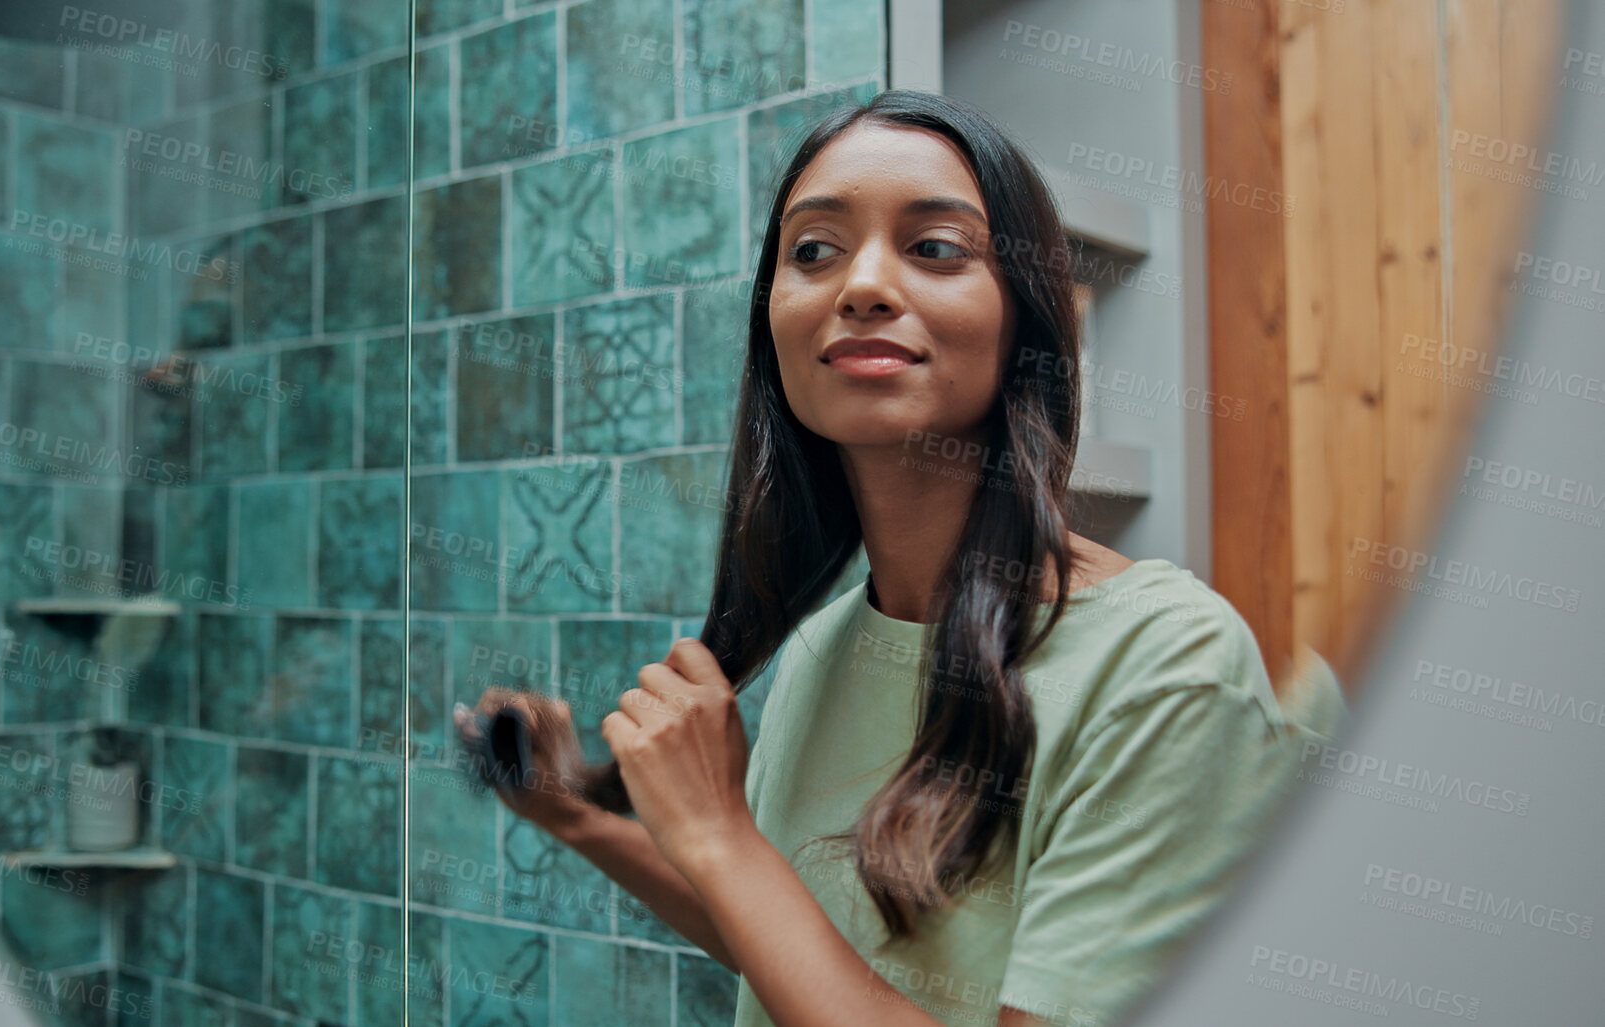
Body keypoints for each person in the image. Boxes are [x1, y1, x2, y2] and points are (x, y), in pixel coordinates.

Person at [456, 89, 1346, 1027]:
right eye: (813, 251)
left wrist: (720, 835)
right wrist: (578, 816)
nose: (861, 286)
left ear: (1026, 321)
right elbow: (796, 946)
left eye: (935, 247)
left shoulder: (1168, 664)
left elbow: (755, 888)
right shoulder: (824, 647)